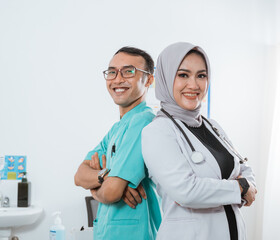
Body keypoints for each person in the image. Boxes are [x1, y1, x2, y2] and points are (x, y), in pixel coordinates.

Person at [141, 42, 257, 240]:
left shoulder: (213, 126)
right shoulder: (157, 131)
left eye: (201, 75)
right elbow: (187, 191)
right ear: (166, 78)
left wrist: (241, 185)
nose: (194, 85)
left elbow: (245, 170)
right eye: (183, 75)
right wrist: (240, 188)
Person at [74, 47, 161, 240]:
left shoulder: (143, 122)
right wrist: (106, 176)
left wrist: (95, 188)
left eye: (128, 71)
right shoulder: (117, 128)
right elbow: (79, 175)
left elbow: (112, 192)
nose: (118, 79)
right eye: (112, 72)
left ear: (149, 79)